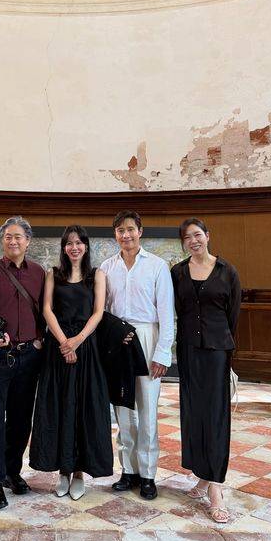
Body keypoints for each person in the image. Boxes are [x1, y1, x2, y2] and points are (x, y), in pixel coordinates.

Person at [29, 225, 113, 500]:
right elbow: (46, 309)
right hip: (57, 347)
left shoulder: (96, 275)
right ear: (64, 248)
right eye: (69, 243)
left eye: (78, 243)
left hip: (86, 347)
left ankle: (78, 473)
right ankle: (63, 472)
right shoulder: (53, 273)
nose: (74, 247)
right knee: (59, 407)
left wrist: (77, 341)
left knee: (83, 409)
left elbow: (98, 312)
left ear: (86, 246)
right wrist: (65, 342)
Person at [0, 216, 45, 510]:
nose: (13, 241)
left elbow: (47, 311)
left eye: (18, 237)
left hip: (29, 356)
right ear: (2, 241)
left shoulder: (39, 273)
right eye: (8, 237)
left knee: (20, 419)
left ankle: (11, 471)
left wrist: (39, 339)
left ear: (28, 241)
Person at [170, 218, 241, 524]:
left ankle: (215, 487)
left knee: (215, 416)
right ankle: (202, 475)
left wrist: (226, 349)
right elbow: (175, 309)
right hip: (188, 351)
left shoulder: (227, 271)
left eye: (197, 235)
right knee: (193, 414)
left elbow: (233, 315)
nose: (193, 241)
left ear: (208, 236)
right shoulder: (177, 272)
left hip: (216, 352)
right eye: (187, 237)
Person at [101, 210, 174, 500]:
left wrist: (162, 354)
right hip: (119, 340)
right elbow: (103, 311)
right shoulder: (107, 267)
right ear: (115, 234)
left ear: (140, 231)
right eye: (120, 230)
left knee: (147, 412)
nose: (126, 235)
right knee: (123, 409)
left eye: (130, 229)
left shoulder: (157, 266)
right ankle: (128, 470)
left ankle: (147, 474)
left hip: (147, 337)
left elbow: (166, 314)